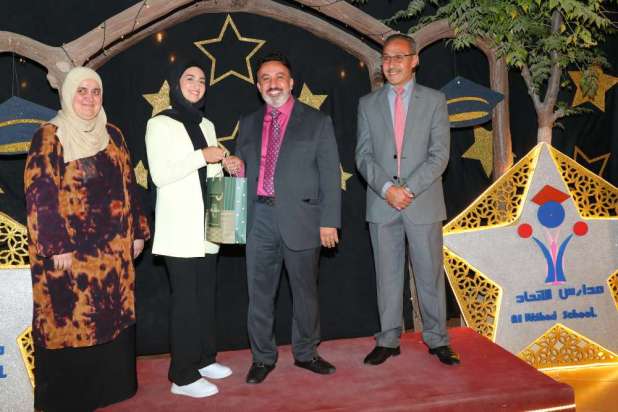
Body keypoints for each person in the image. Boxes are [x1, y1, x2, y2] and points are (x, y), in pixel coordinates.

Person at [24, 66, 150, 411]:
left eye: (95, 91)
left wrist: (138, 231)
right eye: (82, 91)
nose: (89, 98)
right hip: (72, 256)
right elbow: (40, 194)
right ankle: (70, 398)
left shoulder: (113, 134)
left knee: (111, 318)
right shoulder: (49, 136)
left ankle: (112, 388)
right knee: (73, 321)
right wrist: (55, 245)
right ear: (68, 94)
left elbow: (129, 185)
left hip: (113, 256)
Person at [231, 52, 341, 384]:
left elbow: (330, 176)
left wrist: (329, 221)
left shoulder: (317, 121)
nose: (273, 83)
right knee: (259, 294)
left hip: (303, 218)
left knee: (305, 292)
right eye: (265, 78)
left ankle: (306, 353)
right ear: (258, 86)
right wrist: (236, 167)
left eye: (279, 76)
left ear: (291, 83)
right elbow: (244, 169)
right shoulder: (248, 122)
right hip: (259, 218)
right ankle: (262, 358)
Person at [355, 34, 460, 366]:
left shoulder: (435, 100)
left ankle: (437, 339)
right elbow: (363, 156)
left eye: (399, 57)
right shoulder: (367, 104)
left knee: (429, 274)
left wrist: (408, 189)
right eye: (386, 57)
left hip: (423, 202)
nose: (391, 64)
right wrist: (387, 188)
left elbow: (440, 155)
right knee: (386, 276)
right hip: (381, 203)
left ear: (415, 60)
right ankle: (388, 339)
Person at [145, 60, 239, 398]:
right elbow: (160, 175)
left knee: (205, 297)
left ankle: (203, 359)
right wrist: (202, 156)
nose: (197, 85)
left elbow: (209, 170)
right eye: (189, 78)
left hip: (208, 226)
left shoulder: (206, 123)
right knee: (185, 302)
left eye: (201, 80)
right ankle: (182, 377)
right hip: (179, 231)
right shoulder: (160, 124)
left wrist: (226, 163)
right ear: (176, 84)